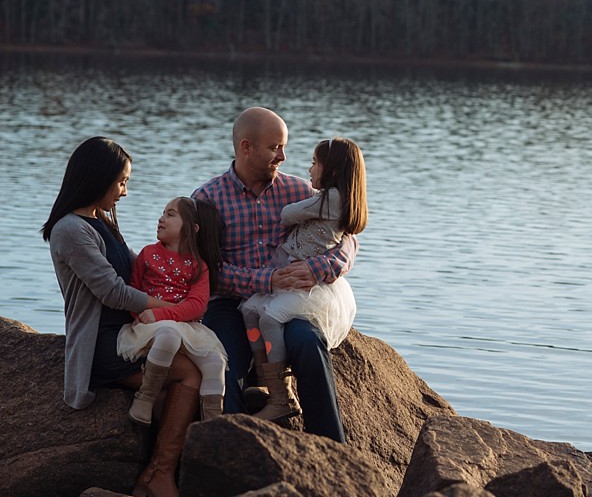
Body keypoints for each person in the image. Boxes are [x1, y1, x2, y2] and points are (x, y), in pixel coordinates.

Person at [42, 136, 200, 497]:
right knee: (189, 373)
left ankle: (152, 476)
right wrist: (175, 311)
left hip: (132, 333)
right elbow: (113, 292)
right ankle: (160, 474)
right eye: (122, 182)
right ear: (99, 178)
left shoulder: (101, 222)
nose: (125, 192)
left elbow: (138, 268)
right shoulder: (70, 229)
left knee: (172, 394)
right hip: (103, 342)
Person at [193, 107, 358, 442]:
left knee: (308, 342)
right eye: (275, 148)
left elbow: (347, 236)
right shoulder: (207, 199)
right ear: (245, 147)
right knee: (223, 363)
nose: (283, 156)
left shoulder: (299, 192)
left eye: (284, 147)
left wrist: (317, 268)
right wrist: (265, 280)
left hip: (287, 301)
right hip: (231, 302)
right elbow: (206, 271)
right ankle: (236, 456)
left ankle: (335, 452)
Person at [240, 137, 367, 421]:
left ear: (331, 169)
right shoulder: (335, 199)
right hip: (279, 274)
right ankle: (265, 378)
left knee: (274, 321)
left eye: (314, 163)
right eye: (275, 147)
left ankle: (282, 394)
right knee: (249, 311)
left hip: (307, 285)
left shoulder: (321, 196)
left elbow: (289, 215)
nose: (309, 169)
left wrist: (323, 263)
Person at [117, 197, 228, 425]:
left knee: (216, 363)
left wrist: (162, 314)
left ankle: (212, 424)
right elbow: (133, 293)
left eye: (170, 214)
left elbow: (197, 305)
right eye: (162, 213)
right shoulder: (147, 254)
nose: (161, 218)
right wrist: (143, 317)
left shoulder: (198, 265)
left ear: (191, 229)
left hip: (185, 325)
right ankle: (145, 398)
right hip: (151, 327)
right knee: (169, 335)